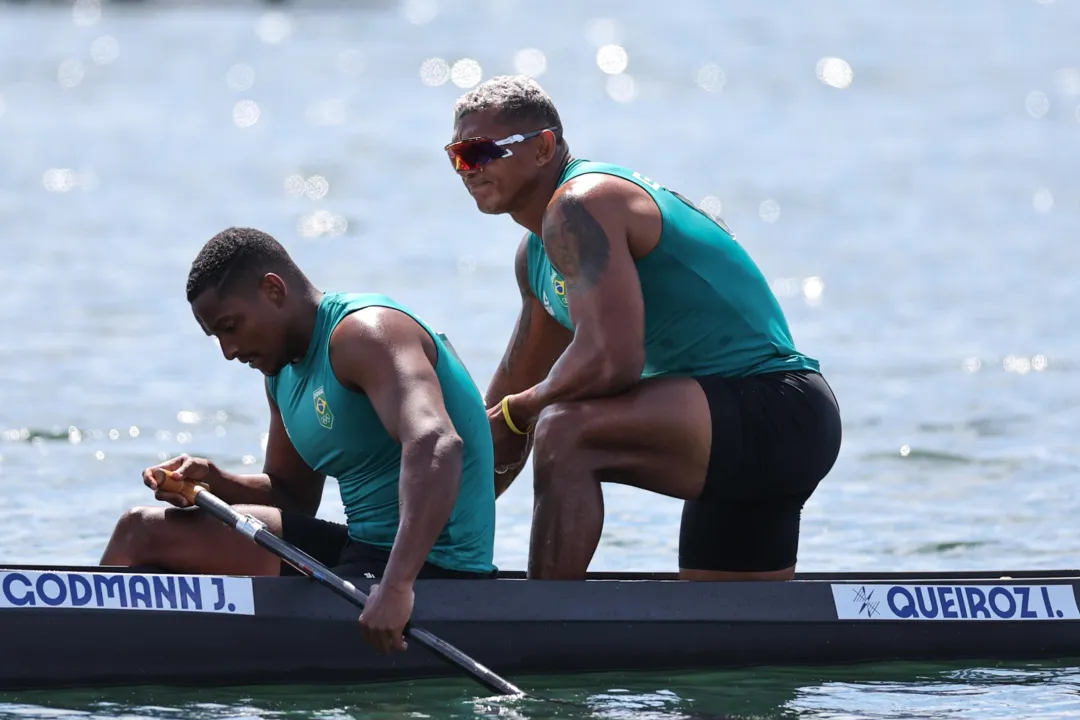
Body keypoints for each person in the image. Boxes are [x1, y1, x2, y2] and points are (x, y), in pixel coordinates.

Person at [444, 75, 842, 582]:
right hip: (724, 433)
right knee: (724, 642)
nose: (469, 170)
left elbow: (612, 361)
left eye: (482, 152)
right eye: (459, 156)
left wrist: (521, 412)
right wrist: (417, 548)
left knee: (565, 431)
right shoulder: (537, 257)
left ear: (544, 147)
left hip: (775, 410)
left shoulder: (580, 205)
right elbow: (498, 421)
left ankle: (547, 621)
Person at [100, 227, 497, 652]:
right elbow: (291, 496)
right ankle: (95, 646)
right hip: (361, 549)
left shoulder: (364, 334)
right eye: (217, 337)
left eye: (231, 327)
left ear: (273, 290)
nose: (229, 351)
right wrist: (214, 481)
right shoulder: (280, 373)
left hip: (434, 567)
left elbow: (437, 443)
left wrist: (397, 587)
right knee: (138, 533)